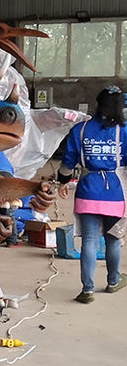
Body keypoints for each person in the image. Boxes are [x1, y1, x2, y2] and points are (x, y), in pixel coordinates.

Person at [58, 87, 127, 303]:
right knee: (113, 238)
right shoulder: (123, 131)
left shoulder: (80, 130)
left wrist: (63, 182)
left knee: (89, 240)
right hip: (115, 192)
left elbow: (67, 163)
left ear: (98, 104)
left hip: (87, 190)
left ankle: (87, 290)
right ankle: (113, 281)